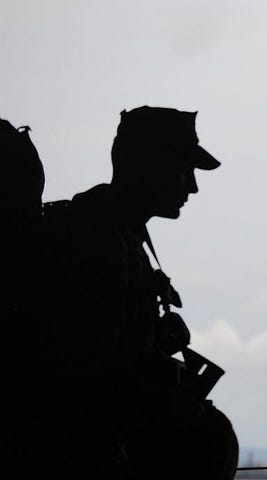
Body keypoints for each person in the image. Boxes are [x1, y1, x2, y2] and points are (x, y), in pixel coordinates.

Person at [36, 106, 235, 479]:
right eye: (184, 169)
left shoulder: (115, 232)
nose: (192, 186)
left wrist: (156, 341)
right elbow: (86, 374)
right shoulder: (101, 240)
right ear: (151, 166)